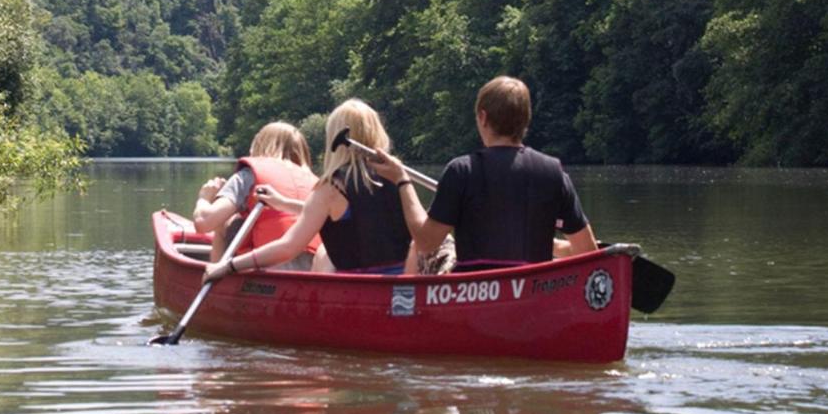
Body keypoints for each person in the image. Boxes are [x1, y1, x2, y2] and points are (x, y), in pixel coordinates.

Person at [371, 75, 597, 269]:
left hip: (475, 295)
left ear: (483, 117)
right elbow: (588, 251)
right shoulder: (553, 173)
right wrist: (554, 246)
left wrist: (402, 180)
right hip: (533, 292)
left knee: (434, 249)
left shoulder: (461, 171)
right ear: (526, 120)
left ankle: (407, 308)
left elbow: (426, 243)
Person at [202, 99, 414, 283]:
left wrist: (229, 266)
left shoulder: (332, 187)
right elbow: (357, 214)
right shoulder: (399, 178)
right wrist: (283, 203)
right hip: (399, 285)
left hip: (357, 290)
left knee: (324, 254)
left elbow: (288, 247)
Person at [192, 121, 320, 270]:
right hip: (314, 272)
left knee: (227, 222)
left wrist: (204, 198)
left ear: (260, 145)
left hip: (266, 268)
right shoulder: (318, 183)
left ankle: (215, 275)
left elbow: (203, 222)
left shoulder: (248, 175)